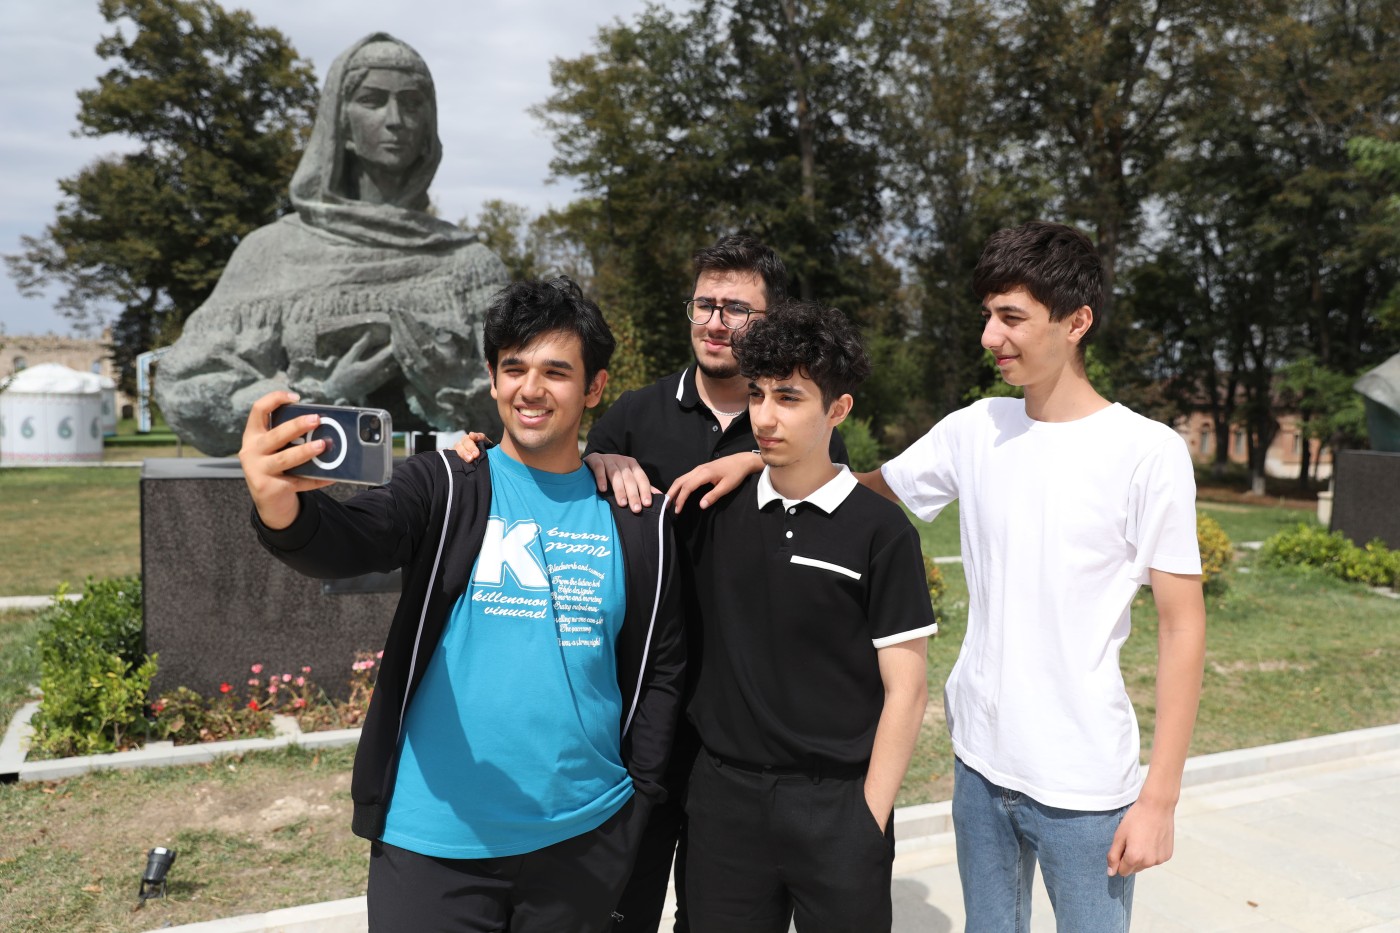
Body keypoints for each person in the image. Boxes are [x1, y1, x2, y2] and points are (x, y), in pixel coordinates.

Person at [238, 277, 685, 932]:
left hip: (584, 840)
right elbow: (351, 540)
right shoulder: (448, 482)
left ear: (594, 388)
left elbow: (663, 669)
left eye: (556, 371)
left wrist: (636, 800)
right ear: (492, 377)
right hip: (433, 844)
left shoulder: (637, 517)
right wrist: (281, 506)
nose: (531, 389)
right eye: (514, 368)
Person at [456, 233, 848, 932]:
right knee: (617, 905)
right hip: (639, 711)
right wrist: (477, 452)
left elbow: (841, 502)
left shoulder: (801, 428)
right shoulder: (633, 416)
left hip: (744, 730)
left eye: (738, 308)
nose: (716, 322)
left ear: (774, 317)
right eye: (705, 303)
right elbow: (544, 458)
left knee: (718, 913)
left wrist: (755, 463)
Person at [861, 221, 1208, 931]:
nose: (991, 336)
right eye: (988, 314)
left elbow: (1182, 622)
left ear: (1077, 321)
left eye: (1011, 316)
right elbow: (869, 489)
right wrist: (766, 464)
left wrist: (1159, 799)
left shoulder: (1148, 451)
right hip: (978, 766)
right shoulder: (976, 427)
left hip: (1083, 788)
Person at [681, 300, 935, 932]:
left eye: (789, 398)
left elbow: (908, 688)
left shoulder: (882, 533)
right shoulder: (714, 513)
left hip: (839, 807)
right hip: (724, 805)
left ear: (838, 410)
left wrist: (868, 818)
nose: (764, 417)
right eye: (758, 395)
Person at [160, 32, 508, 456]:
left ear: (428, 124)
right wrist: (320, 393)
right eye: (373, 100)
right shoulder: (272, 253)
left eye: (412, 103)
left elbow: (520, 409)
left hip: (446, 495)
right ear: (340, 122)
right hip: (304, 497)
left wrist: (452, 381)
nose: (395, 119)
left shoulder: (471, 264)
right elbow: (186, 398)